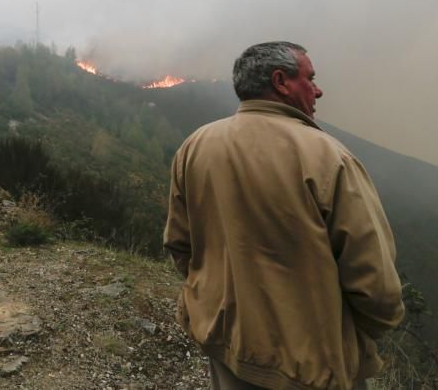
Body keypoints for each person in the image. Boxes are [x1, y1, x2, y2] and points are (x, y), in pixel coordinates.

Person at [164, 41, 405, 390]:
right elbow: (375, 282)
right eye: (310, 78)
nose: (318, 89)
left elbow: (179, 244)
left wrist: (213, 302)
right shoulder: (328, 158)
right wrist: (371, 329)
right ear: (281, 81)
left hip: (226, 346)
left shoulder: (195, 146)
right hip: (309, 366)